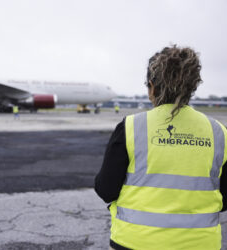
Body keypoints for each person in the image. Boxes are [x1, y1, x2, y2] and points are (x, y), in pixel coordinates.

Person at [95, 45, 227, 250]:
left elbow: (106, 189)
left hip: (134, 241)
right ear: (192, 87)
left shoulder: (131, 127)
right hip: (200, 244)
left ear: (151, 86)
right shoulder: (219, 132)